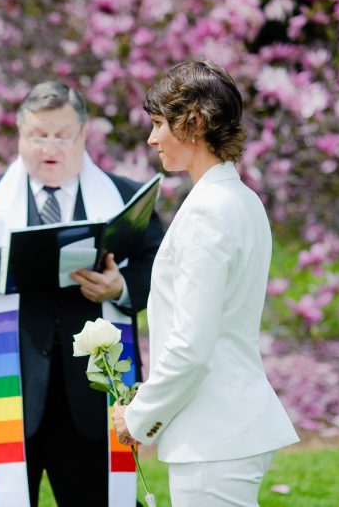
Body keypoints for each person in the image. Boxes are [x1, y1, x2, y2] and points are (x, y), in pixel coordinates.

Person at [0, 81, 163, 507]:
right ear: (20, 134)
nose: (49, 147)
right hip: (6, 392)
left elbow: (161, 266)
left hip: (92, 398)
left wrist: (121, 286)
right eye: (38, 135)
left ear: (83, 134)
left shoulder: (124, 196)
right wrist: (18, 259)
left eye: (62, 135)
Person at [112, 60, 299, 507]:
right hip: (228, 427)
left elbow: (191, 345)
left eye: (159, 123)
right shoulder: (242, 199)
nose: (151, 138)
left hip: (214, 435)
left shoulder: (208, 211)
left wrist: (138, 416)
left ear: (194, 122)